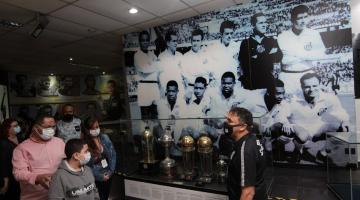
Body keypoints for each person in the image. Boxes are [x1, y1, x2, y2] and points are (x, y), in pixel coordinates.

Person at [275, 73, 350, 163]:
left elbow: (340, 112)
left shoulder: (329, 97)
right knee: (302, 136)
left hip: (319, 128)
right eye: (307, 87)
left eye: (315, 86)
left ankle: (322, 153)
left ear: (320, 84)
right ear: (301, 87)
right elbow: (281, 113)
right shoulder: (293, 98)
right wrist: (285, 122)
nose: (311, 89)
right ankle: (297, 150)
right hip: (300, 129)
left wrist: (345, 121)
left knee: (344, 129)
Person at [12, 113, 65, 200]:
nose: (51, 130)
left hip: (59, 194)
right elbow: (18, 173)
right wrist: (37, 178)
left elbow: (67, 163)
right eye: (47, 127)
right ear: (35, 127)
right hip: (34, 196)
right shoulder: (22, 148)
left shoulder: (59, 142)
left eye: (53, 126)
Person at [277, 5, 327, 94]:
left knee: (310, 105)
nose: (303, 21)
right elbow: (285, 60)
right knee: (288, 105)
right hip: (288, 76)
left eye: (305, 17)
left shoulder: (314, 34)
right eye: (300, 18)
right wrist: (308, 55)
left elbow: (321, 54)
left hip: (308, 75)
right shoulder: (282, 36)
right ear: (292, 20)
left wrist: (296, 54)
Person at [225, 107, 267, 200]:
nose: (226, 124)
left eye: (229, 121)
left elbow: (248, 193)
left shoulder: (245, 149)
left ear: (243, 126)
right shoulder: (252, 138)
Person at [239, 12, 283, 90]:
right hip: (252, 86)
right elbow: (245, 65)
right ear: (253, 25)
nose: (264, 25)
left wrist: (256, 57)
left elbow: (278, 59)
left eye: (265, 22)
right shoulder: (246, 43)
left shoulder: (272, 41)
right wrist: (268, 55)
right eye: (261, 23)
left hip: (270, 85)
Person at [83, 117, 116, 200]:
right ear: (87, 130)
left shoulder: (105, 137)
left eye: (97, 127)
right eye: (92, 128)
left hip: (108, 173)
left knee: (105, 196)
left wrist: (111, 171)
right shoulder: (84, 144)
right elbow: (85, 165)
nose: (96, 130)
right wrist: (99, 176)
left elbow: (113, 154)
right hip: (95, 176)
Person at [134, 30, 160, 119]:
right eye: (142, 40)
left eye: (146, 40)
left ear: (149, 41)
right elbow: (144, 70)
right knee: (145, 118)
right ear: (139, 41)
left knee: (155, 116)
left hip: (154, 87)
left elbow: (160, 67)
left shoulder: (152, 54)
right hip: (144, 87)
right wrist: (155, 66)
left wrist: (154, 66)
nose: (145, 42)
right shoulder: (137, 55)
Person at [207, 20, 240, 86]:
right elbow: (208, 67)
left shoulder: (237, 47)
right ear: (221, 34)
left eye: (231, 33)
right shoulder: (213, 48)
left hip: (233, 83)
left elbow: (240, 67)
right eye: (227, 33)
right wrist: (211, 80)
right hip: (218, 83)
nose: (229, 36)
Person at [157, 30, 184, 99]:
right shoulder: (161, 57)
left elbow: (183, 73)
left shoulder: (180, 55)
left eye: (176, 41)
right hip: (168, 93)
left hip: (179, 91)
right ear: (168, 43)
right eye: (174, 41)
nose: (176, 43)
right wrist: (162, 90)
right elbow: (159, 77)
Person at [0, 119, 21, 200]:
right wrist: (5, 183)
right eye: (15, 126)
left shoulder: (20, 138)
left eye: (18, 125)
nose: (18, 127)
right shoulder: (4, 143)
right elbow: (3, 164)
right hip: (11, 175)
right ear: (8, 128)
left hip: (20, 173)